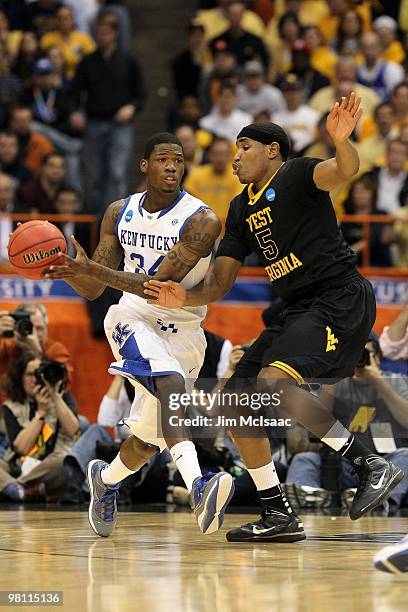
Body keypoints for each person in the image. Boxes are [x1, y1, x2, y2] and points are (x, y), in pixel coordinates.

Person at [143, 96, 404, 543]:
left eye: (244, 146)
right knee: (234, 400)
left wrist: (341, 141)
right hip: (298, 309)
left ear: (272, 151)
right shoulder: (241, 209)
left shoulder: (298, 173)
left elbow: (345, 171)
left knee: (272, 382)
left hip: (338, 296)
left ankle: (369, 463)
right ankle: (278, 512)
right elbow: (220, 284)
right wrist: (182, 295)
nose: (236, 156)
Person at [44, 132, 234, 537]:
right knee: (168, 384)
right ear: (144, 165)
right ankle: (199, 487)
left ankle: (105, 481)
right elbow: (94, 289)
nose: (172, 167)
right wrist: (72, 271)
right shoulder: (118, 212)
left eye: (179, 161)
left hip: (183, 328)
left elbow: (157, 285)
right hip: (132, 318)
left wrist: (92, 272)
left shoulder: (202, 220)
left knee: (148, 441)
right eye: (163, 159)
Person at [286, 335, 408, 511]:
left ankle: (380, 499)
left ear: (378, 358)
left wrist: (378, 381)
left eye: (364, 353)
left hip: (386, 462)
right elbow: (315, 423)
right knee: (304, 459)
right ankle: (309, 496)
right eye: (354, 354)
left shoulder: (396, 380)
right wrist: (337, 373)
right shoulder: (337, 382)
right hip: (343, 463)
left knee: (405, 456)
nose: (359, 359)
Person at [66, 14, 146, 214]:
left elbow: (141, 94)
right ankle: (95, 224)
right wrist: (74, 112)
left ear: (115, 34)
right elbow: (73, 93)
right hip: (93, 123)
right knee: (93, 176)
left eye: (106, 33)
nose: (102, 37)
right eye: (99, 33)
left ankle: (115, 222)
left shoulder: (128, 61)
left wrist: (131, 108)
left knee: (117, 174)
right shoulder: (87, 62)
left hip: (120, 126)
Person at [0, 352, 79, 502]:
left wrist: (54, 395)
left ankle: (14, 488)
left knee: (65, 461)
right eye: (31, 374)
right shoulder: (11, 406)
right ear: (20, 379)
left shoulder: (64, 397)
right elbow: (21, 448)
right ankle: (23, 489)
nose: (36, 380)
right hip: (17, 466)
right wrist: (40, 413)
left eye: (40, 374)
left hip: (50, 469)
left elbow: (73, 430)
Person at [0, 302, 73, 384]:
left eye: (39, 328)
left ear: (47, 328)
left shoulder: (56, 350)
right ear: (15, 327)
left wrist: (37, 352)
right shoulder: (6, 347)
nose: (34, 334)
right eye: (27, 327)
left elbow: (63, 384)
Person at [184, 137, 242, 221]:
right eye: (216, 154)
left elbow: (238, 206)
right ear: (209, 155)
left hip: (229, 226)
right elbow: (187, 202)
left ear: (230, 155)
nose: (219, 158)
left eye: (223, 154)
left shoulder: (238, 175)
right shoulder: (196, 173)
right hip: (201, 226)